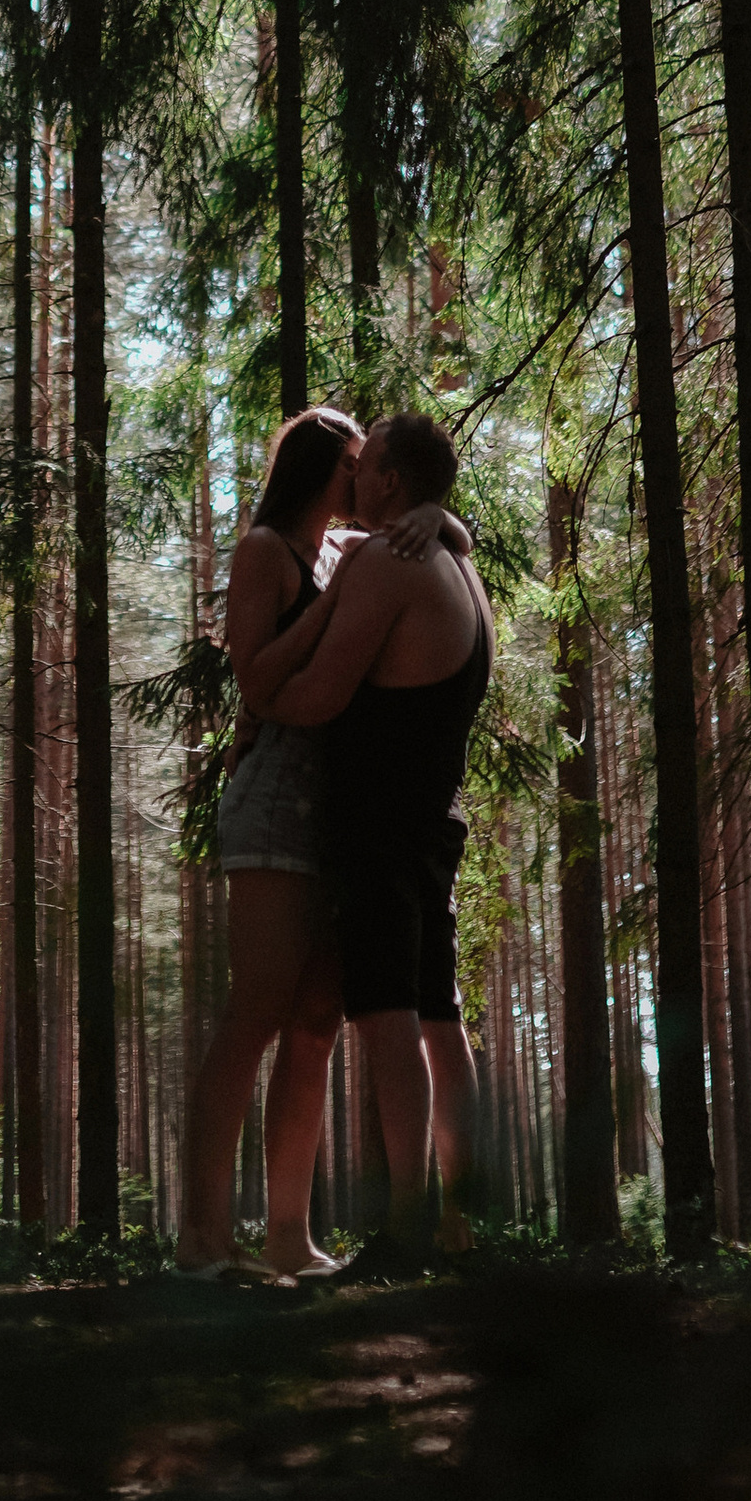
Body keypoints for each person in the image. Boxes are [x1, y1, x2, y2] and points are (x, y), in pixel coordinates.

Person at [263, 410, 493, 1264]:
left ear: (393, 480)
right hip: (434, 818)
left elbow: (321, 694)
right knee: (438, 1015)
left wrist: (260, 702)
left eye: (368, 468)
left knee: (388, 1013)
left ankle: (408, 1226)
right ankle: (460, 1223)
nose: (353, 478)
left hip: (383, 823)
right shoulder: (455, 563)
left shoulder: (392, 568)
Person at [174, 407, 361, 1278]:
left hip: (336, 809)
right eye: (354, 465)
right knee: (254, 1013)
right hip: (275, 800)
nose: (365, 480)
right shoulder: (266, 552)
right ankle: (203, 1238)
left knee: (319, 1019)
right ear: (323, 470)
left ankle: (291, 1236)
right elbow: (253, 673)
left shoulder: (337, 551)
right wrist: (334, 613)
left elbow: (436, 533)